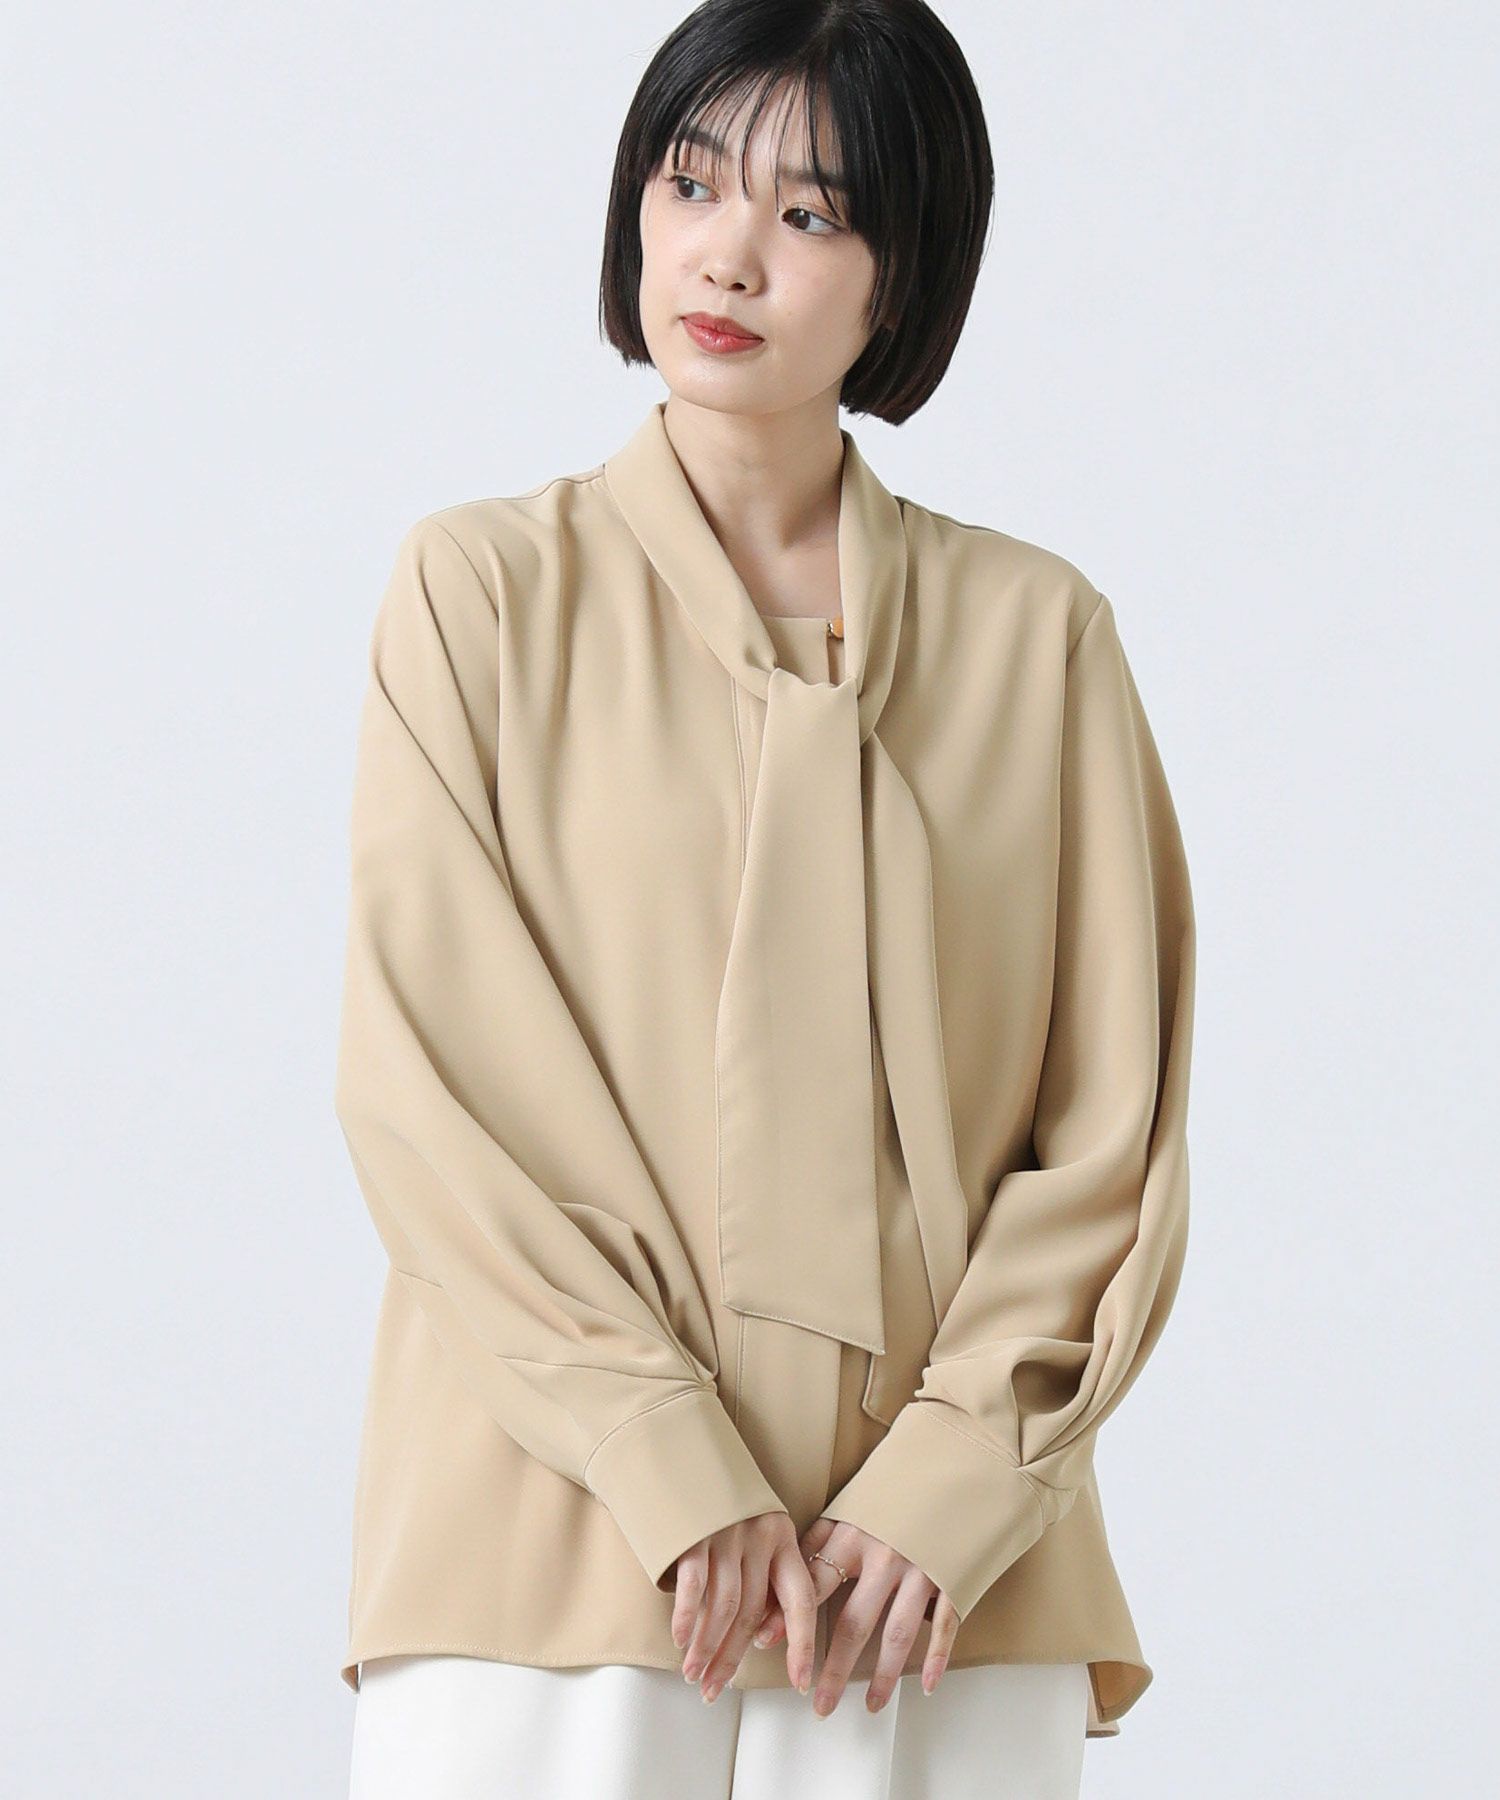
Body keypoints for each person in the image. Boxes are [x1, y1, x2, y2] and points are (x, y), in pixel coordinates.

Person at [334, 2, 1197, 1794]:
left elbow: (1109, 1129)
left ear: (907, 271)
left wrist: (954, 1480)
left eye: (812, 213)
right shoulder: (482, 596)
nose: (728, 253)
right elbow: (436, 1090)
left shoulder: (1038, 641)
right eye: (690, 181)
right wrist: (661, 1449)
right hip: (552, 1545)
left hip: (931, 1595)